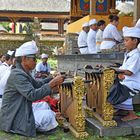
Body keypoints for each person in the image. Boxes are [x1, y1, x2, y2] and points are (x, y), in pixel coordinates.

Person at [0, 41, 64, 137]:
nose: (36, 62)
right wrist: (52, 84)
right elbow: (32, 95)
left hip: (19, 108)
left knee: (44, 105)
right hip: (13, 116)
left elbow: (37, 84)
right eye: (34, 59)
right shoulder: (17, 74)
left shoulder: (22, 72)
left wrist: (51, 78)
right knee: (49, 115)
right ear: (24, 59)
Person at [114, 26, 140, 121]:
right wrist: (117, 70)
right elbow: (124, 68)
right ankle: (121, 109)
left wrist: (117, 71)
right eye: (124, 40)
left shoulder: (136, 55)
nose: (124, 43)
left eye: (126, 40)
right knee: (113, 85)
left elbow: (129, 72)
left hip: (134, 83)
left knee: (121, 89)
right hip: (127, 80)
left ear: (135, 41)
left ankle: (132, 114)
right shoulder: (128, 54)